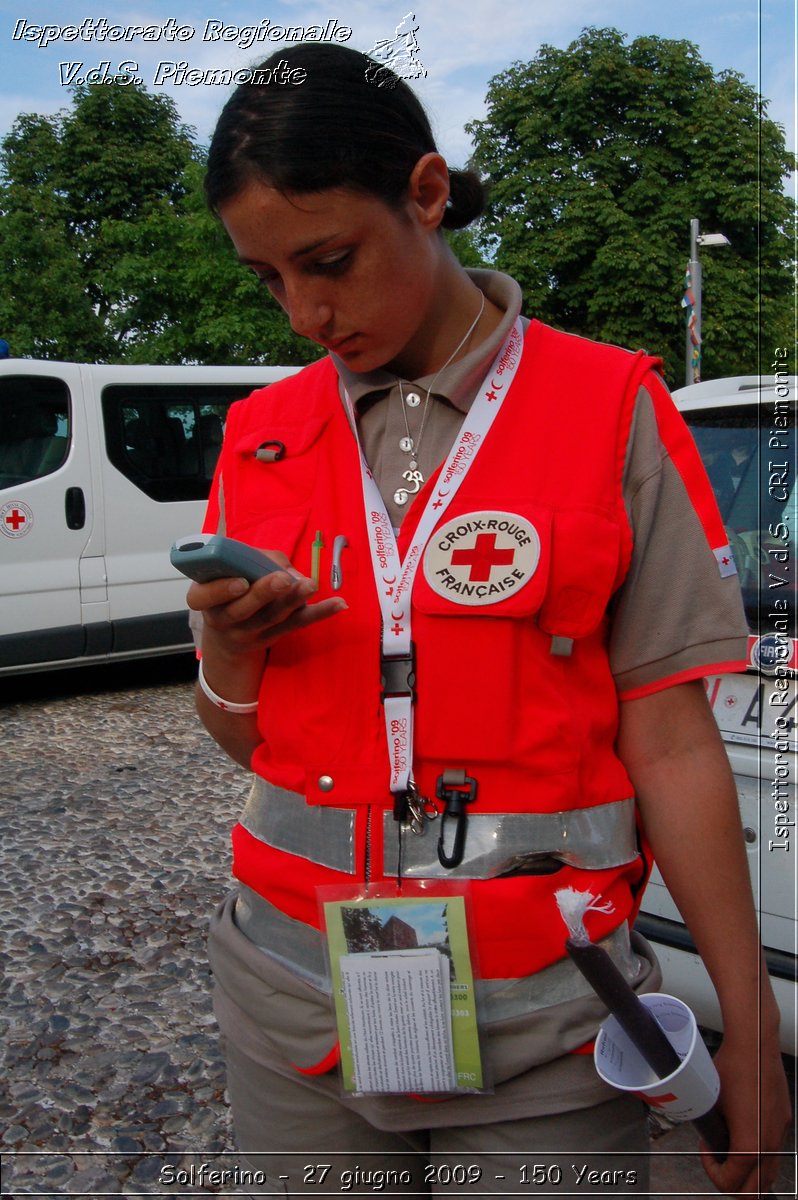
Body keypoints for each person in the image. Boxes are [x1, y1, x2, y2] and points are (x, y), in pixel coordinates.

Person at [188, 42, 790, 1196]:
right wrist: (225, 656)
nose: (307, 311)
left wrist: (749, 1035)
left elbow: (670, 743)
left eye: (329, 260)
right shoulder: (262, 435)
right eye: (267, 279)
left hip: (548, 1021)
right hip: (291, 999)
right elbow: (255, 744)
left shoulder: (610, 408)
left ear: (424, 193)